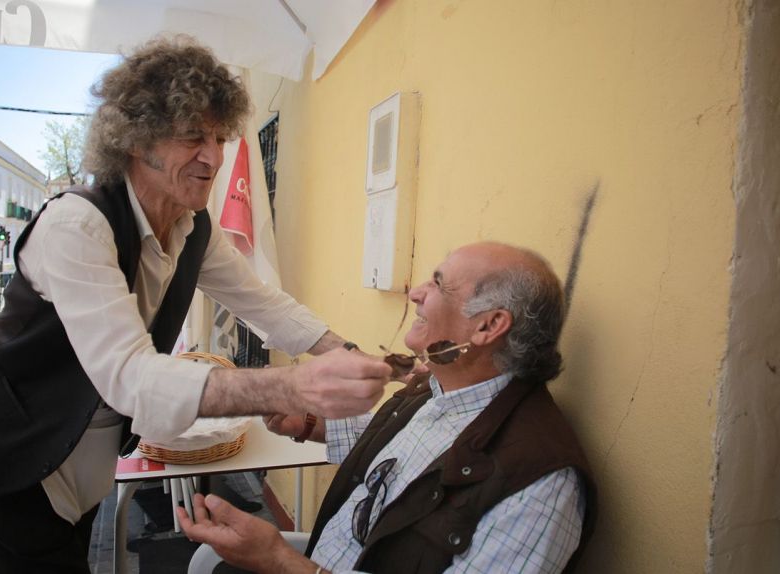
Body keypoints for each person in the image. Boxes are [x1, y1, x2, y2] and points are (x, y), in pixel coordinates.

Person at [0, 36, 391, 573]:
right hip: (11, 462)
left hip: (81, 472)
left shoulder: (192, 226)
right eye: (192, 137)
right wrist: (292, 386)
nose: (214, 157)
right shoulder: (77, 224)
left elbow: (264, 304)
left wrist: (349, 353)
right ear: (136, 139)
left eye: (219, 137)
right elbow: (129, 376)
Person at [178, 242, 598, 573]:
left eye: (438, 284)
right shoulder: (441, 391)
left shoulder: (540, 485)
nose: (416, 293)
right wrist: (307, 423)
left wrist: (279, 560)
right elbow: (408, 452)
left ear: (489, 326)